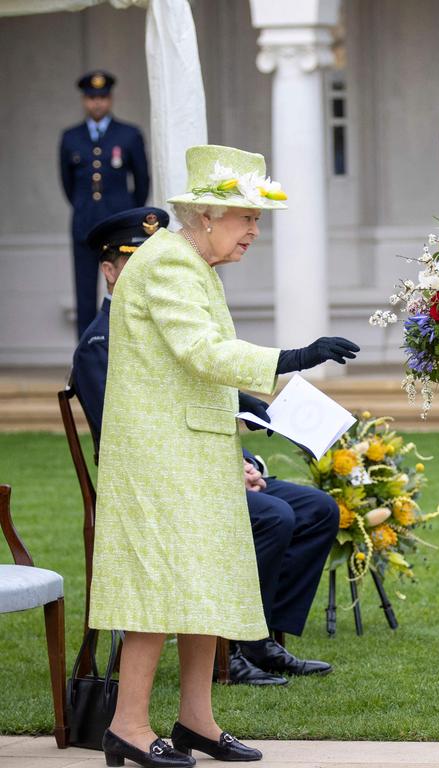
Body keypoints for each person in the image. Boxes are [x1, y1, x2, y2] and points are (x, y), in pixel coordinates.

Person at [88, 144, 360, 768]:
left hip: (189, 449)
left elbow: (190, 365)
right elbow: (201, 352)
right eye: (246, 219)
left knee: (201, 586)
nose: (255, 232)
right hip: (160, 457)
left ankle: (196, 721)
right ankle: (127, 726)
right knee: (156, 591)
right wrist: (294, 357)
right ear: (207, 216)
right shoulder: (168, 264)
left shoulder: (190, 262)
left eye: (257, 220)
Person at [72, 207, 338, 690]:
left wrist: (251, 448)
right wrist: (293, 358)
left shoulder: (194, 277)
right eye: (132, 258)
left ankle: (257, 640)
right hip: (162, 474)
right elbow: (129, 420)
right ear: (109, 271)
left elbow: (199, 379)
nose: (254, 232)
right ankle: (232, 651)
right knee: (274, 518)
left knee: (317, 508)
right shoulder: (101, 341)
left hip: (204, 459)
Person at [59, 70, 149, 339]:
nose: (97, 103)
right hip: (84, 225)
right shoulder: (70, 137)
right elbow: (67, 184)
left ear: (110, 99)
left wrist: (129, 215)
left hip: (120, 226)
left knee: (126, 288)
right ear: (84, 100)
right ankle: (85, 358)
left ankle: (126, 349)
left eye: (102, 97)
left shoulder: (129, 135)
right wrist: (85, 208)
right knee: (85, 294)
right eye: (91, 98)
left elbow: (142, 181)